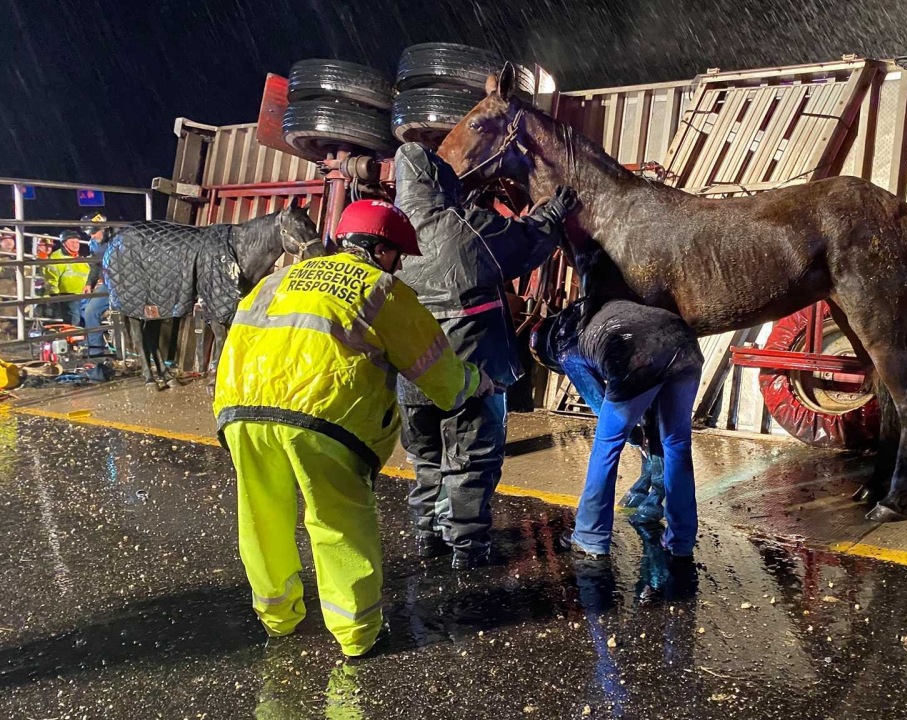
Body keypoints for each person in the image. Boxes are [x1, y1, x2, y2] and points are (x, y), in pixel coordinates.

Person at [213, 199, 493, 658]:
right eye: (398, 256)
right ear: (382, 251)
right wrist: (476, 382)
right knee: (337, 520)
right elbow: (438, 376)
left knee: (262, 517)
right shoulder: (380, 289)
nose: (398, 265)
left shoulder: (277, 279)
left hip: (241, 411)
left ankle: (278, 619)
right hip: (322, 416)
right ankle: (356, 634)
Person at [393, 143, 578, 569]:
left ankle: (428, 536)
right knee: (470, 461)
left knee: (425, 459)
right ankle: (468, 550)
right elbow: (523, 243)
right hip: (471, 371)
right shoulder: (461, 227)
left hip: (411, 379)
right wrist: (552, 214)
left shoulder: (389, 234)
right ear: (441, 180)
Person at [531, 296, 704, 559]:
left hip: (638, 352)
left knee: (607, 445)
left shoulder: (565, 348)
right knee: (677, 444)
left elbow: (600, 403)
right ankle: (681, 539)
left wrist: (634, 434)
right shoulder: (585, 309)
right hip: (683, 341)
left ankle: (590, 536)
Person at [80, 214, 113, 356]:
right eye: (89, 233)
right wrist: (89, 283)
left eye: (94, 232)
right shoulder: (93, 243)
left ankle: (96, 354)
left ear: (104, 228)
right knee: (82, 306)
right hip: (106, 283)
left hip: (120, 285)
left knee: (90, 311)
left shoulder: (118, 240)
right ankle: (92, 342)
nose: (92, 236)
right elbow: (95, 266)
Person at [43, 230, 91, 325]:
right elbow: (51, 278)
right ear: (64, 243)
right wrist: (54, 295)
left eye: (77, 242)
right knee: (75, 323)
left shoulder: (80, 259)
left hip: (83, 296)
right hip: (67, 296)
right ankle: (74, 339)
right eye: (72, 242)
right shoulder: (56, 257)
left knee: (86, 321)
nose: (76, 245)